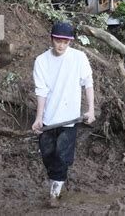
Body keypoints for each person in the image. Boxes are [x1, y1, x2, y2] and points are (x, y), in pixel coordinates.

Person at [32, 21, 95, 204]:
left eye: (65, 42)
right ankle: (55, 185)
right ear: (52, 39)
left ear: (70, 42)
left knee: (62, 155)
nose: (61, 45)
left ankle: (54, 194)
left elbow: (88, 83)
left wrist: (90, 110)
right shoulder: (41, 61)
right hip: (49, 119)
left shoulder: (79, 58)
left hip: (69, 119)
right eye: (58, 40)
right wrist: (39, 118)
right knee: (48, 155)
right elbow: (41, 91)